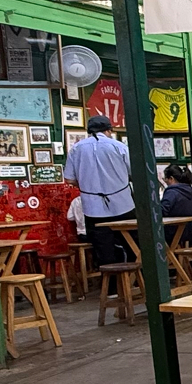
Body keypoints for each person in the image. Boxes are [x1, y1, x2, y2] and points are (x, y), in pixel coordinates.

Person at [63, 114, 134, 271]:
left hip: (93, 207)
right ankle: (135, 281)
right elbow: (134, 172)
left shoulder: (76, 149)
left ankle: (111, 288)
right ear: (109, 130)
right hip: (123, 204)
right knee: (131, 244)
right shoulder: (119, 146)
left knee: (103, 249)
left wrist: (89, 185)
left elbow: (69, 179)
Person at [160, 164, 192, 244]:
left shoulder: (172, 192)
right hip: (189, 232)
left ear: (171, 178)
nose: (165, 182)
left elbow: (162, 211)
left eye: (165, 179)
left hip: (172, 234)